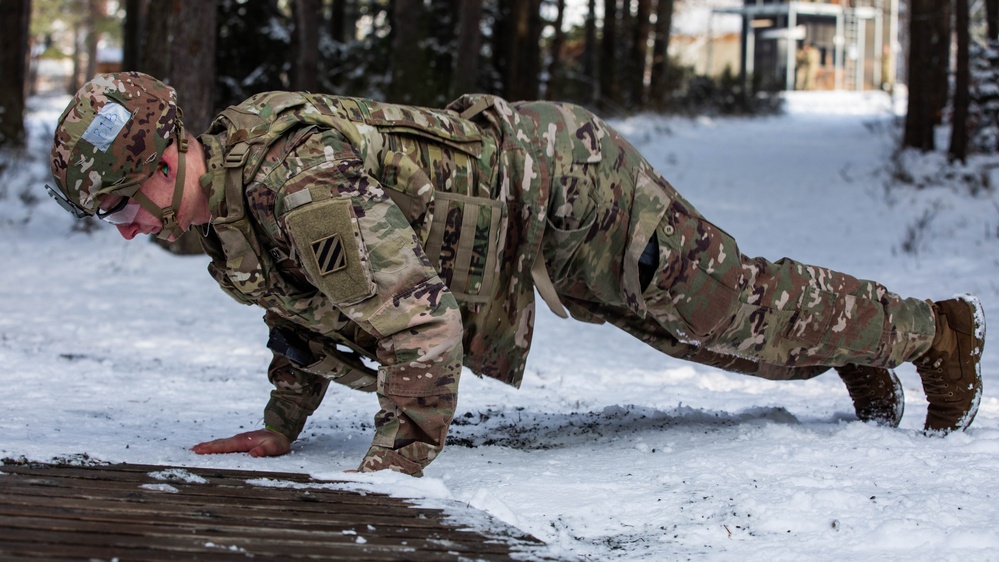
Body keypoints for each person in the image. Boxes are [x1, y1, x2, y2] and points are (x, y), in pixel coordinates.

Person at [47, 72, 985, 477]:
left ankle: (931, 331)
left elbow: (419, 330)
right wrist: (282, 425)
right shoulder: (230, 209)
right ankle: (854, 348)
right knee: (689, 328)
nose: (126, 232)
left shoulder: (295, 188)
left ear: (166, 167)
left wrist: (393, 469)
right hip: (523, 223)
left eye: (122, 208)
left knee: (724, 307)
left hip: (563, 187)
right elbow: (314, 316)